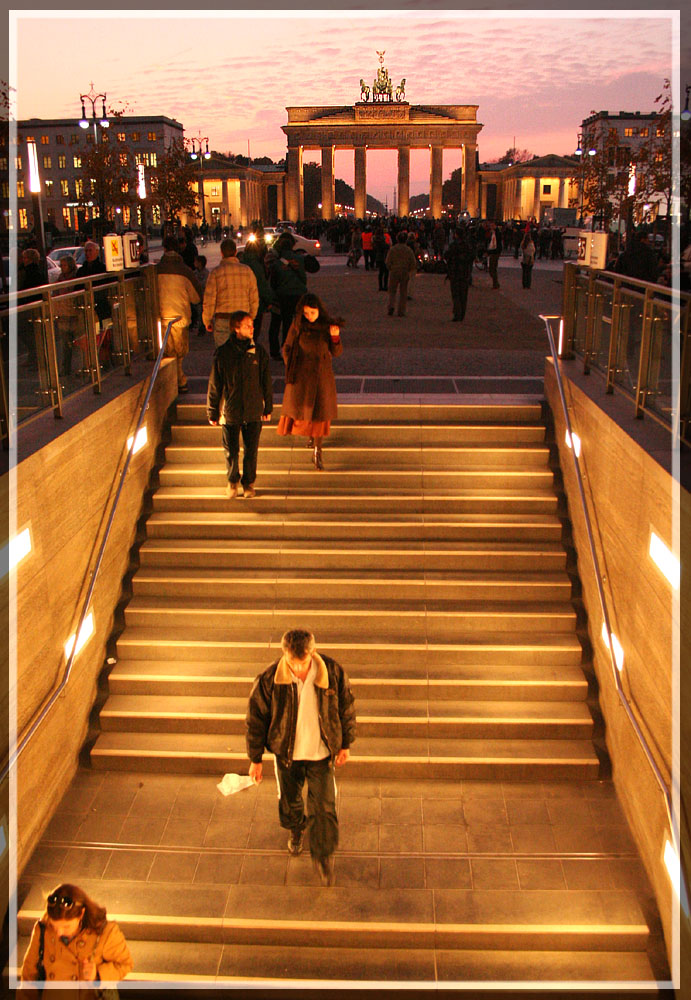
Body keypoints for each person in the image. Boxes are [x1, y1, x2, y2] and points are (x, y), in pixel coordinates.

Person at [245, 628, 356, 887]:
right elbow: (255, 718)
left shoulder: (332, 672)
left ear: (312, 653)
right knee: (290, 800)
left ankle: (323, 855)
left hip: (320, 754)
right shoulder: (270, 679)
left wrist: (345, 743)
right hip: (287, 754)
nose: (296, 669)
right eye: (291, 663)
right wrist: (255, 758)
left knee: (324, 807)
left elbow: (346, 706)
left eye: (302, 663)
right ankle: (296, 829)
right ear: (284, 655)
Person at [20, 882, 133, 995]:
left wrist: (97, 975)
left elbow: (125, 964)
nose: (59, 932)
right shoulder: (43, 929)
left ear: (81, 914)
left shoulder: (105, 932)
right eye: (55, 926)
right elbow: (28, 975)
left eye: (66, 926)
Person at [206, 310, 272, 500]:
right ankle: (232, 481)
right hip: (231, 410)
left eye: (252, 325)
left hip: (252, 410)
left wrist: (268, 406)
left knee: (251, 450)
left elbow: (265, 381)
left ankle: (249, 483)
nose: (251, 328)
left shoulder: (258, 352)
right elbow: (215, 383)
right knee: (231, 450)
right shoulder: (224, 353)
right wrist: (212, 411)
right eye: (246, 325)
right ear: (236, 328)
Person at [277, 293, 343, 471]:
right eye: (306, 313)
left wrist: (335, 338)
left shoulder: (326, 326)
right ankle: (311, 438)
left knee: (320, 414)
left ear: (319, 311)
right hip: (301, 376)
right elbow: (287, 347)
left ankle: (317, 450)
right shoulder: (297, 326)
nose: (309, 317)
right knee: (306, 411)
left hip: (322, 376)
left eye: (312, 313)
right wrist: (290, 363)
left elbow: (336, 351)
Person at [156, 234, 202, 394]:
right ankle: (179, 380)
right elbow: (196, 296)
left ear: (164, 249)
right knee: (180, 352)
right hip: (180, 316)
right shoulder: (185, 271)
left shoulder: (156, 270)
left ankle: (171, 381)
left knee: (166, 351)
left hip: (161, 316)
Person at [203, 238, 259, 349]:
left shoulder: (216, 272)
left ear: (221, 253)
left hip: (223, 319)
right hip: (242, 318)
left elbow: (209, 299)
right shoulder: (247, 271)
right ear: (235, 252)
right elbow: (254, 297)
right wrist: (251, 317)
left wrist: (207, 320)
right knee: (244, 353)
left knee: (223, 354)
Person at [269, 232, 308, 346]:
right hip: (298, 294)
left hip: (282, 295)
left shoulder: (276, 262)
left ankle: (280, 348)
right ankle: (293, 346)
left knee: (280, 322)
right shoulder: (300, 258)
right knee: (297, 322)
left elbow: (273, 282)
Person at [54, 255, 80, 374]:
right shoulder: (60, 278)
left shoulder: (76, 277)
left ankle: (80, 367)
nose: (62, 267)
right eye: (61, 265)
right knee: (65, 345)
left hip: (74, 313)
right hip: (63, 314)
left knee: (78, 343)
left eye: (64, 265)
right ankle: (65, 368)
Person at [444, 228, 474, 321]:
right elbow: (471, 257)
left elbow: (447, 255)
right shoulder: (468, 245)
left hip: (455, 272)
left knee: (456, 294)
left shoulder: (454, 245)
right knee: (463, 295)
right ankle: (462, 314)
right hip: (465, 272)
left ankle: (457, 313)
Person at [385, 232, 417, 317]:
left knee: (392, 291)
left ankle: (391, 306)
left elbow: (388, 262)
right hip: (404, 271)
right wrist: (409, 269)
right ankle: (401, 310)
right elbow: (413, 263)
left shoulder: (393, 249)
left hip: (394, 271)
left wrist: (390, 268)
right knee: (403, 292)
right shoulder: (408, 250)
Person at [192, 255, 210, 336]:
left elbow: (205, 283)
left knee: (201, 311)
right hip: (196, 295)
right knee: (198, 311)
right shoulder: (194, 273)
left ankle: (202, 327)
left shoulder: (206, 273)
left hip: (203, 295)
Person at [487, 222, 501, 289]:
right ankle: (495, 283)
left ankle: (495, 283)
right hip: (493, 252)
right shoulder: (493, 233)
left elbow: (495, 244)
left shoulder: (496, 233)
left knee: (492, 268)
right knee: (492, 268)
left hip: (495, 252)